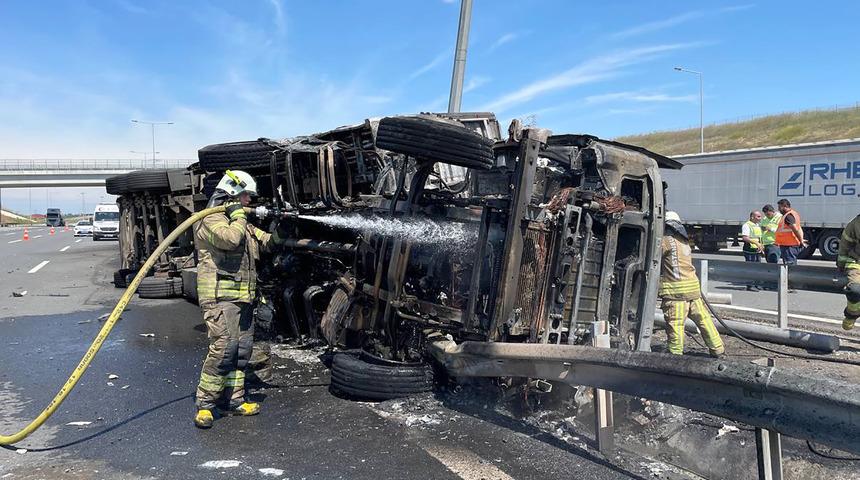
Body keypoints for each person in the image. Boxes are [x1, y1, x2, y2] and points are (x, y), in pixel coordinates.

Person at [193, 170, 289, 429]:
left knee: (241, 350)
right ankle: (205, 404)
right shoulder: (210, 220)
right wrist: (238, 215)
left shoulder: (241, 222)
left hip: (243, 296)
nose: (249, 201)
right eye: (246, 195)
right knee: (224, 349)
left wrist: (282, 227)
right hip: (219, 296)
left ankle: (234, 400)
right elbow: (230, 239)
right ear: (232, 194)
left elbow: (267, 243)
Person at [660, 211, 725, 357]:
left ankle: (675, 354)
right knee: (703, 319)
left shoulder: (666, 241)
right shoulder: (684, 241)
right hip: (693, 289)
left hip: (676, 292)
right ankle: (717, 348)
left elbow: (653, 257)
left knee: (675, 323)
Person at [837, 214, 860, 330]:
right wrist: (841, 264)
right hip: (857, 262)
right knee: (855, 290)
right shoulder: (856, 223)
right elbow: (845, 244)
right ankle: (852, 315)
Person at [775, 198, 804, 265]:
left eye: (779, 207)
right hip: (790, 244)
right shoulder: (793, 214)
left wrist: (801, 240)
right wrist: (801, 240)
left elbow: (795, 229)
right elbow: (799, 228)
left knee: (789, 265)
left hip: (789, 246)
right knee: (791, 263)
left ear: (785, 206)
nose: (778, 209)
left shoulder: (788, 216)